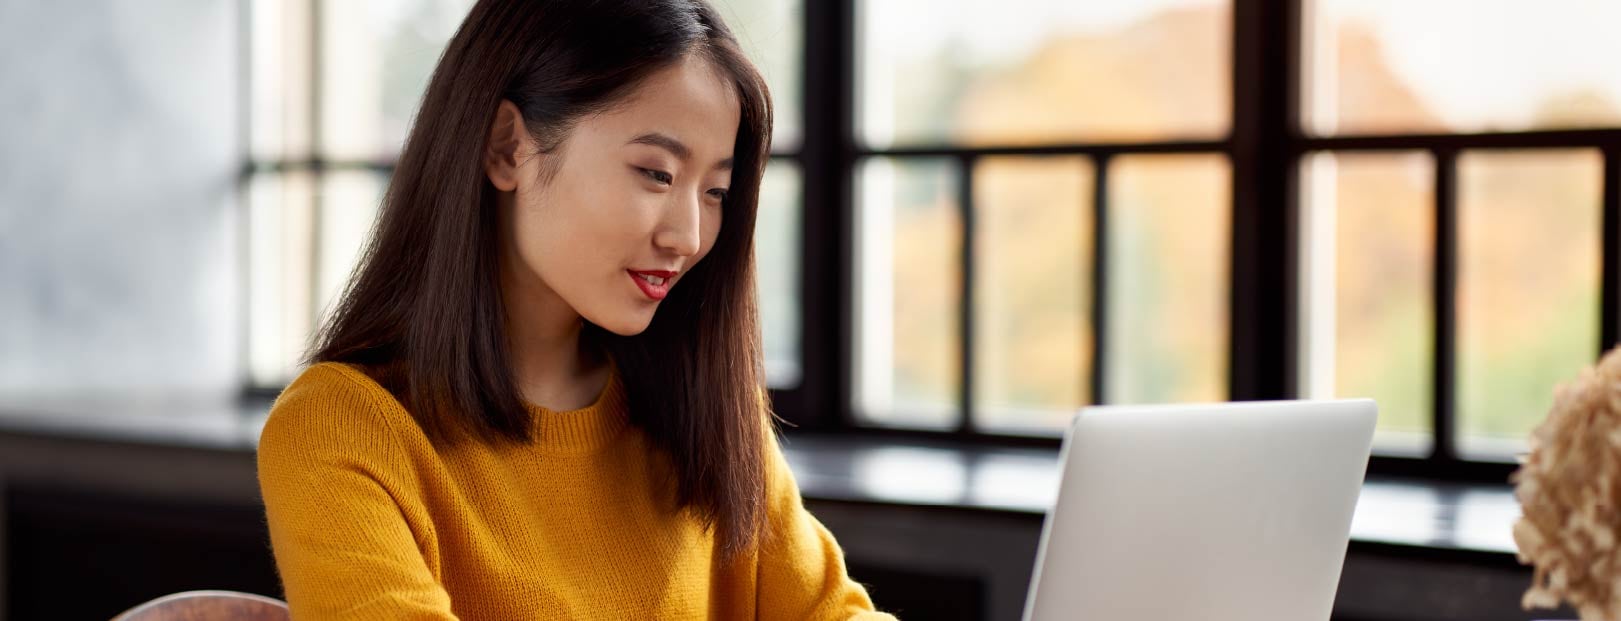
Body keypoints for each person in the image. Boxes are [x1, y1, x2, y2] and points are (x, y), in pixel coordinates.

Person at [255, 1, 896, 618]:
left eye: (716, 191)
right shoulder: (341, 429)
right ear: (509, 148)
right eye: (656, 173)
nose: (689, 236)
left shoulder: (705, 411)